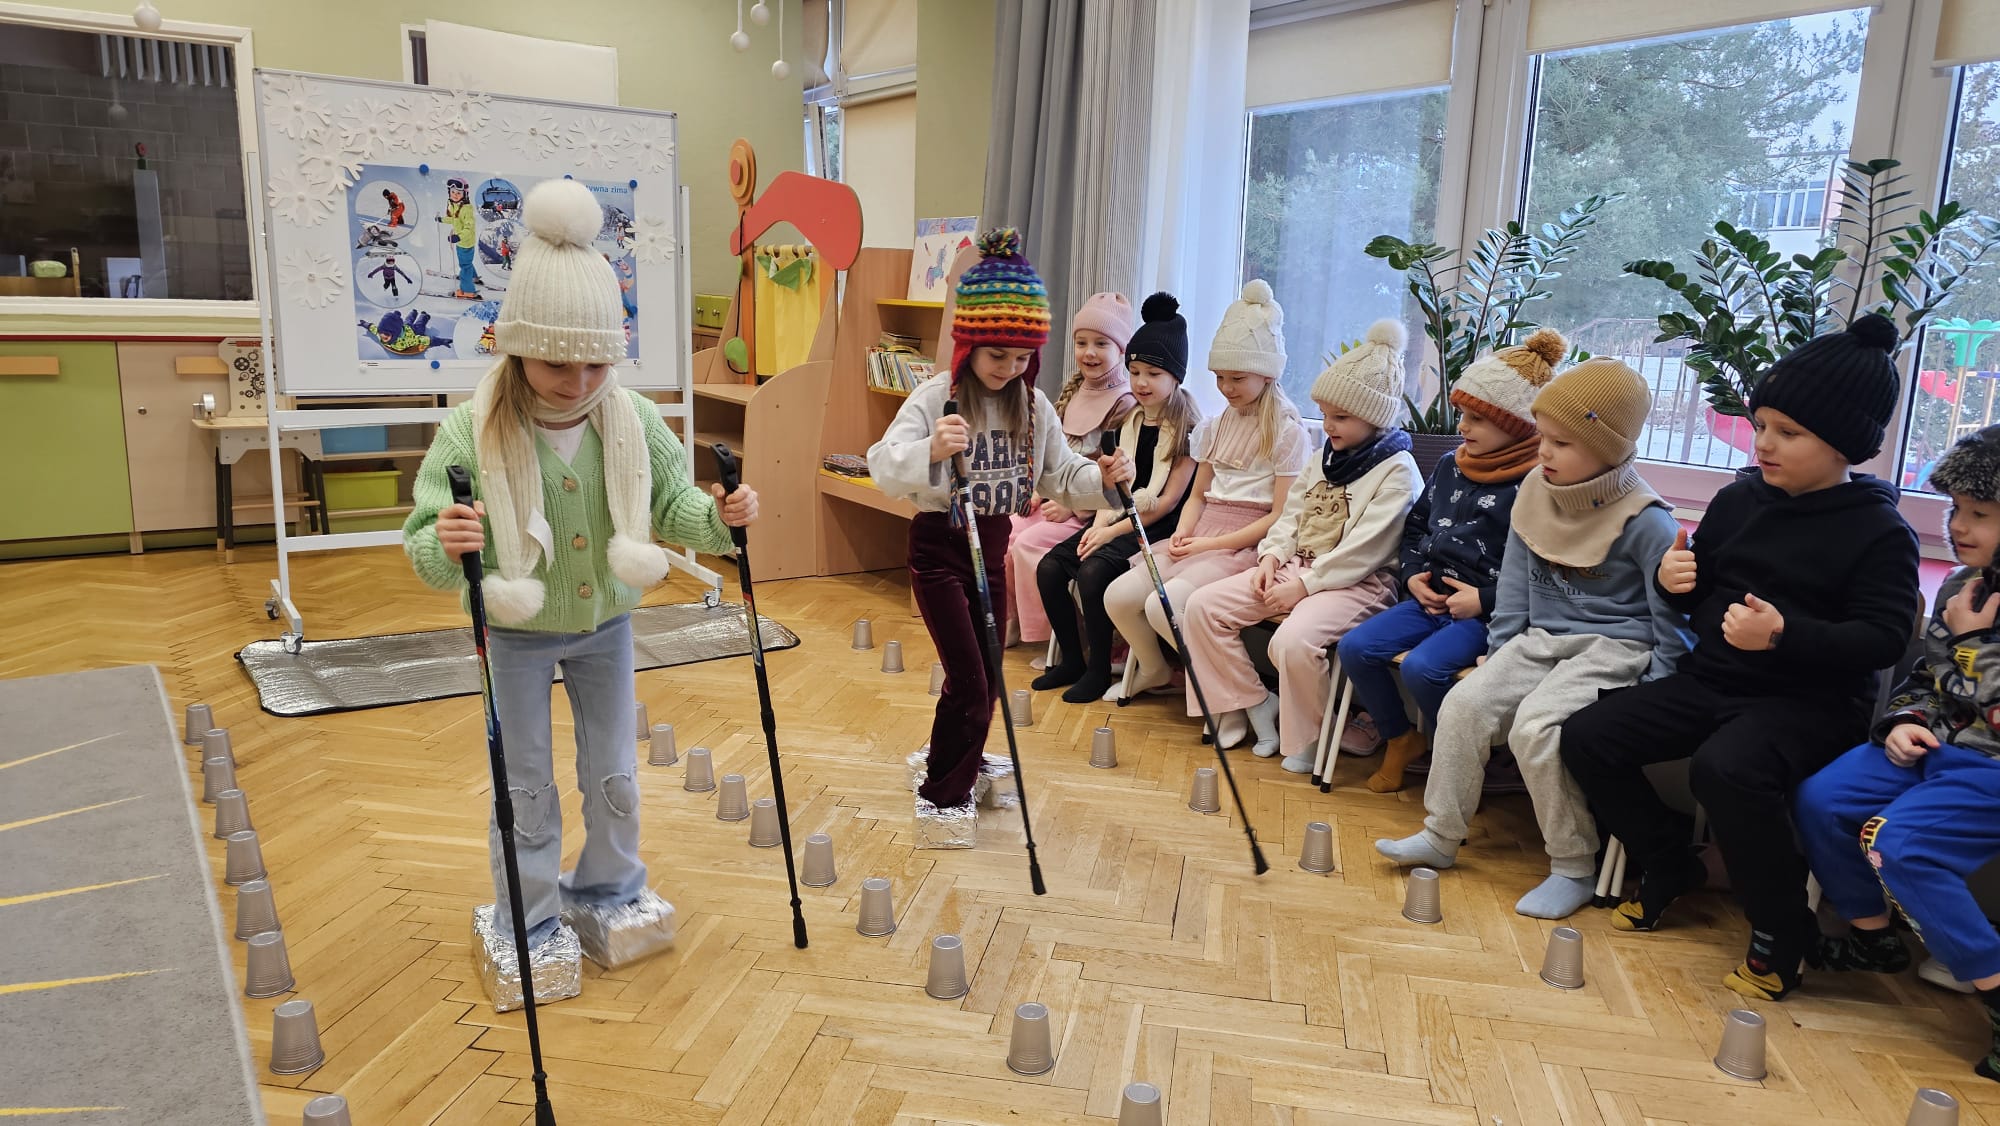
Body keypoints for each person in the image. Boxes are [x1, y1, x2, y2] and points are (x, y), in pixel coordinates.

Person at [401, 179, 758, 1003]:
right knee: (524, 784)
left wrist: (721, 518)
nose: (578, 379)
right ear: (517, 348)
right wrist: (446, 541)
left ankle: (610, 888)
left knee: (613, 772)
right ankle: (527, 920)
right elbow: (427, 546)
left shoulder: (631, 418)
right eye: (557, 362)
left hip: (606, 626)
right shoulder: (470, 431)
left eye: (597, 361)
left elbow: (674, 508)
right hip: (514, 635)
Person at [1561, 314, 1922, 998]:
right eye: (1760, 426)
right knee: (1588, 736)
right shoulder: (1738, 500)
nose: (1764, 443)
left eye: (1789, 432)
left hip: (1811, 705)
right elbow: (1701, 595)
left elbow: (1882, 640)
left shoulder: (1881, 531)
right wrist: (1674, 583)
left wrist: (1784, 635)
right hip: (1716, 682)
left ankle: (1783, 929)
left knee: (1726, 770)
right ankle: (1669, 859)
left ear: (1844, 444)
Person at [1377, 357, 1691, 919]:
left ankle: (1573, 866)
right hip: (1539, 640)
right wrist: (1498, 657)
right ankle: (1441, 835)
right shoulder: (1535, 491)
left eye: (1562, 443)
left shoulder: (1648, 521)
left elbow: (1670, 618)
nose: (1544, 452)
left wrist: (1660, 689)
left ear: (1609, 449)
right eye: (1543, 437)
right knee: (1465, 704)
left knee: (1536, 727)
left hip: (1613, 648)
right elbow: (1516, 590)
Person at [866, 228, 1133, 847]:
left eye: (1021, 358)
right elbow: (882, 464)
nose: (1009, 369)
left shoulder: (1033, 406)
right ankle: (943, 792)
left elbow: (1062, 476)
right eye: (997, 357)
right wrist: (931, 450)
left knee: (985, 672)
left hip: (992, 545)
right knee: (969, 677)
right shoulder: (936, 397)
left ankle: (951, 757)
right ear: (968, 346)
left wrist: (1105, 481)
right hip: (939, 547)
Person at [1793, 424, 2000, 1080]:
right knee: (1822, 799)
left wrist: (1972, 644)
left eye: (1980, 514)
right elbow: (1929, 678)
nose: (1958, 526)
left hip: (1991, 768)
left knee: (1899, 844)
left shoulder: (1971, 610)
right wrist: (1904, 721)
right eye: (1955, 509)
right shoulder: (1964, 585)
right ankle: (1872, 937)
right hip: (1939, 748)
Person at [1180, 319, 1421, 765]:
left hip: (1358, 584)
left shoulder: (1398, 470)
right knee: (1201, 607)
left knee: (1291, 642)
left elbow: (1366, 549)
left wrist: (1304, 586)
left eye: (1341, 417)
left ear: (1375, 417)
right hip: (1298, 569)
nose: (1328, 426)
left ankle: (1311, 735)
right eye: (1325, 415)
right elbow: (1292, 515)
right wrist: (1272, 557)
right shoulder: (1325, 455)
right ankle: (1255, 700)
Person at [1342, 330, 1560, 793]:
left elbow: (1545, 571)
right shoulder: (1449, 464)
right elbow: (1415, 528)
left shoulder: (1539, 484)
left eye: (1478, 419)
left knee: (1423, 669)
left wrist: (1483, 600)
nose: (1463, 426)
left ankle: (1461, 759)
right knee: (1356, 647)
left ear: (1518, 425)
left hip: (1486, 615)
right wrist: (1411, 576)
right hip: (1429, 597)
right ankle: (1402, 740)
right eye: (1463, 414)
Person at [1102, 280, 1312, 714]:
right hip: (1202, 532)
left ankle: (1235, 696)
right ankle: (1156, 669)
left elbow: (1280, 514)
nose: (1226, 387)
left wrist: (1206, 544)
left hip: (1246, 545)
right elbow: (1198, 495)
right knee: (1118, 597)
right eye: (1219, 377)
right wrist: (1184, 533)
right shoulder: (1215, 427)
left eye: (1237, 378)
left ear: (1268, 374)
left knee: (1164, 606)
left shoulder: (1289, 433)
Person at [1034, 293, 1202, 704]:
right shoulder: (1130, 419)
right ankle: (1072, 659)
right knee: (1051, 567)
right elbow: (1112, 486)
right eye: (1135, 372)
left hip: (1156, 528)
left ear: (1176, 377)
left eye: (1153, 374)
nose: (1141, 383)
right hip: (1116, 516)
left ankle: (1097, 669)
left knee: (1092, 574)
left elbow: (1165, 503)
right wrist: (1100, 525)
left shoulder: (1188, 429)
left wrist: (1108, 534)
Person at [1008, 291, 1138, 651]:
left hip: (1089, 511)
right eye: (1082, 343)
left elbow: (1112, 474)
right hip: (1057, 498)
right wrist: (1039, 489)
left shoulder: (1124, 403)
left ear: (1121, 350)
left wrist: (1072, 506)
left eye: (1101, 344)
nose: (1089, 352)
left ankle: (1056, 635)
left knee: (1029, 545)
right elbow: (1051, 456)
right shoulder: (1074, 392)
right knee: (1007, 532)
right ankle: (1012, 619)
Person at [441, 177, 480, 299]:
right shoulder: (454, 205)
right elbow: (453, 219)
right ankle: (473, 277)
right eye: (453, 192)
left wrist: (458, 237)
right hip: (461, 241)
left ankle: (467, 291)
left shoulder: (466, 209)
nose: (455, 195)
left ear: (465, 194)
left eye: (459, 193)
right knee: (467, 263)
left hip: (465, 242)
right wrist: (441, 219)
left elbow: (469, 228)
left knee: (465, 266)